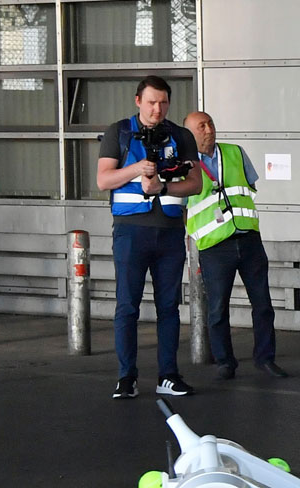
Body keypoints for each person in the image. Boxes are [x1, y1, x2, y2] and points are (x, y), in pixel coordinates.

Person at [96, 77, 202, 399]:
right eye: (152, 102)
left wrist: (163, 187)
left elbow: (196, 184)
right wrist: (137, 170)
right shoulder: (119, 132)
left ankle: (167, 375)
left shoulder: (181, 136)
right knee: (127, 306)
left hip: (170, 232)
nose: (158, 109)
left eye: (164, 103)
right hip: (131, 231)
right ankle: (126, 376)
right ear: (138, 100)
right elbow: (103, 180)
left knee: (169, 306)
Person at [183, 109, 286, 381]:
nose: (208, 129)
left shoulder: (236, 153)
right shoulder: (184, 164)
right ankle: (225, 362)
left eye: (210, 124)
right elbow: (182, 207)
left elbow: (248, 187)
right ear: (189, 134)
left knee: (262, 303)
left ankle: (265, 358)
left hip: (249, 239)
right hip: (214, 246)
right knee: (217, 307)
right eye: (201, 126)